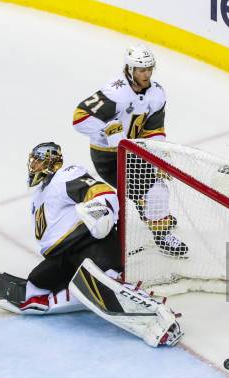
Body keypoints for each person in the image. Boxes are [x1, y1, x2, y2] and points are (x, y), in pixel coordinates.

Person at [0, 142, 183, 347]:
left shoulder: (66, 175)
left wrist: (103, 213)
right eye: (34, 161)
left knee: (105, 284)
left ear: (52, 162)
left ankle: (160, 320)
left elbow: (101, 192)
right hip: (62, 256)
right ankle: (79, 295)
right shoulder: (39, 194)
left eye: (39, 161)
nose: (34, 166)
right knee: (34, 285)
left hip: (90, 246)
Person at [72, 44, 188, 258]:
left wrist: (158, 157)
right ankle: (158, 228)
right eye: (141, 70)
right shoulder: (116, 93)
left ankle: (154, 218)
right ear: (129, 70)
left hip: (134, 151)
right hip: (107, 156)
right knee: (148, 191)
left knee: (155, 189)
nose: (147, 74)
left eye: (149, 69)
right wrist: (106, 129)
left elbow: (154, 130)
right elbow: (80, 117)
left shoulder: (157, 94)